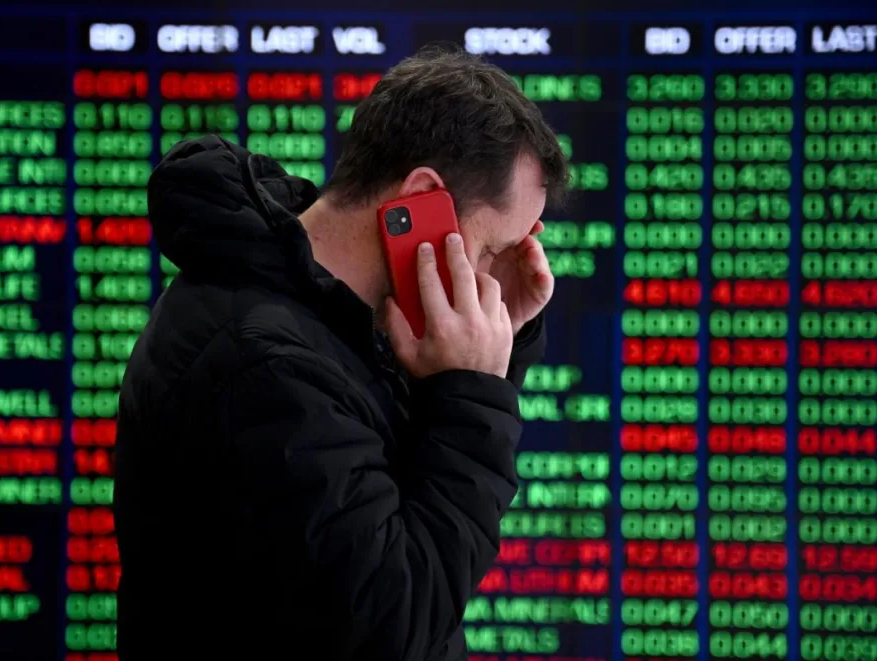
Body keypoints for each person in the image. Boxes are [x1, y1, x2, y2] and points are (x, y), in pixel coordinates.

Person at [113, 46, 568, 660]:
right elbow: (393, 623)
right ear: (419, 201)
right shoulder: (267, 365)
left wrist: (500, 341)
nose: (488, 279)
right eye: (493, 249)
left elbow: (403, 493)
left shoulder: (323, 315)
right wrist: (468, 397)